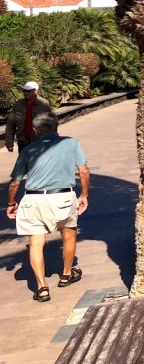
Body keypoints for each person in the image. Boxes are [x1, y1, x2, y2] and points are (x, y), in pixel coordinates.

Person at [6, 112, 89, 302]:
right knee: (69, 235)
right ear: (57, 126)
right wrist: (84, 195)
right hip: (63, 196)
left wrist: (11, 203)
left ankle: (42, 288)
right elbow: (83, 171)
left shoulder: (28, 149)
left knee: (36, 243)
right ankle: (67, 274)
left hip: (34, 199)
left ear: (35, 130)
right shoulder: (71, 143)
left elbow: (14, 182)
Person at [5, 81, 54, 153]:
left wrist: (52, 141)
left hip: (39, 142)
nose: (25, 93)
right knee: (24, 163)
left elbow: (51, 124)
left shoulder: (44, 104)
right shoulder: (18, 105)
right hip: (23, 143)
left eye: (28, 91)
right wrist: (9, 142)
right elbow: (10, 124)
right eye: (24, 90)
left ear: (36, 91)